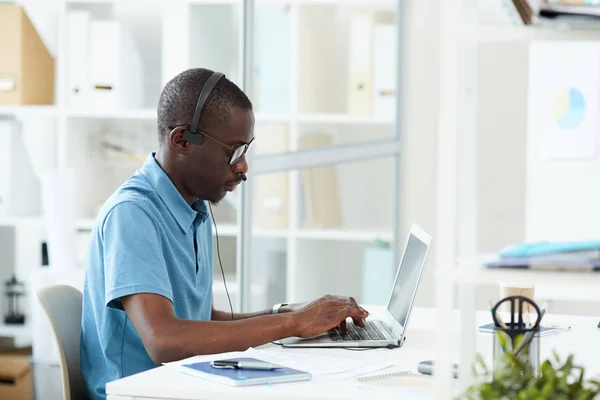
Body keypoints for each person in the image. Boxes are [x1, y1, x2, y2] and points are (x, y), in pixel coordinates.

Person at [80, 67, 369, 400]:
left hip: (182, 387)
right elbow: (165, 339)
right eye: (233, 151)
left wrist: (285, 314)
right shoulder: (132, 215)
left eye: (246, 150)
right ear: (182, 141)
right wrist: (293, 325)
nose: (243, 165)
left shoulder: (193, 209)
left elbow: (199, 320)